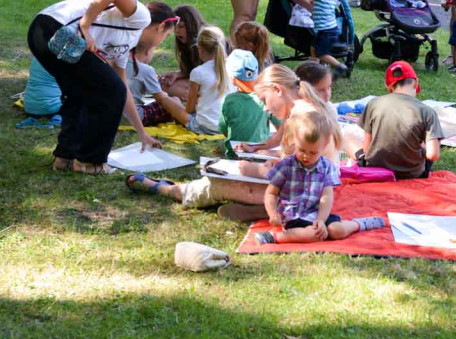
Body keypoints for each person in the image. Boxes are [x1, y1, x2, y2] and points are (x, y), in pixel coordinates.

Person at [125, 65, 338, 222]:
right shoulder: (303, 109)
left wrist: (254, 169)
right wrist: (263, 157)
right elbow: (296, 162)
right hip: (311, 189)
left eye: (264, 100)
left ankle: (169, 190)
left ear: (277, 90)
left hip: (305, 193)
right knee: (235, 173)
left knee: (218, 185)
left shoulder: (300, 118)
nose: (265, 108)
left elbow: (296, 175)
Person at [26, 0, 177, 174]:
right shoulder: (141, 17)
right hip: (53, 27)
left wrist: (142, 133)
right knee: (108, 91)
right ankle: (90, 162)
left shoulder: (124, 45)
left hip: (41, 35)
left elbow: (124, 92)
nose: (163, 42)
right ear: (161, 27)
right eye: (167, 35)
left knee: (80, 93)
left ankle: (65, 157)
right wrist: (85, 25)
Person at [251, 111, 387, 245]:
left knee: (336, 230)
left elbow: (326, 197)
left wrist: (321, 220)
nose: (306, 156)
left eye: (313, 152)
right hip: (294, 216)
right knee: (313, 234)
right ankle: (273, 237)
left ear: (325, 144)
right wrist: (273, 213)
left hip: (317, 214)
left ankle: (359, 224)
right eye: (302, 150)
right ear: (295, 141)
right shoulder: (286, 166)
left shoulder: (326, 167)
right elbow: (271, 193)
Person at [354, 61, 442, 180]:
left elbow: (366, 149)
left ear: (389, 87)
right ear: (416, 83)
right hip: (412, 174)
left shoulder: (374, 103)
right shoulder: (427, 111)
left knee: (348, 134)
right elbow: (433, 155)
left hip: (376, 170)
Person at [156, 25, 232, 135]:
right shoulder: (233, 67)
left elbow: (189, 109)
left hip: (204, 126)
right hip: (228, 126)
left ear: (200, 48)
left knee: (167, 100)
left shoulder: (198, 72)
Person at [218, 49, 271, 145]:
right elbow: (280, 126)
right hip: (261, 151)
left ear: (232, 79)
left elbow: (224, 130)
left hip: (235, 152)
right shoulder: (267, 97)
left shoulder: (228, 101)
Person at [159, 4, 207, 100]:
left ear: (192, 25)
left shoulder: (207, 40)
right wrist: (178, 75)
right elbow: (192, 70)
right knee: (164, 85)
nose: (176, 31)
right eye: (174, 27)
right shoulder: (186, 44)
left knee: (172, 89)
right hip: (200, 81)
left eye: (181, 26)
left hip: (215, 83)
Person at [310, 0, 348, 77]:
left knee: (321, 53)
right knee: (313, 47)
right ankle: (314, 68)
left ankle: (339, 66)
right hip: (331, 30)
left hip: (325, 31)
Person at [127, 43, 175, 127]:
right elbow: (161, 99)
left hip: (112, 114)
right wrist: (166, 94)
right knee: (174, 101)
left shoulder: (117, 64)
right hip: (134, 117)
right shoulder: (146, 69)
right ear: (148, 51)